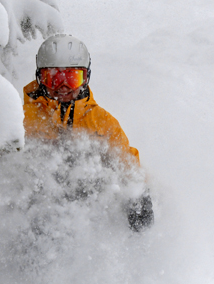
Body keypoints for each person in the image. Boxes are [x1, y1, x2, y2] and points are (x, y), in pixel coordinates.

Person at [23, 33, 153, 232]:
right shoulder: (21, 116)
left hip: (81, 208)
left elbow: (125, 160)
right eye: (54, 79)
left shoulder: (100, 122)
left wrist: (139, 196)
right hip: (32, 207)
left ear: (86, 78)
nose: (63, 88)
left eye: (72, 79)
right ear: (40, 78)